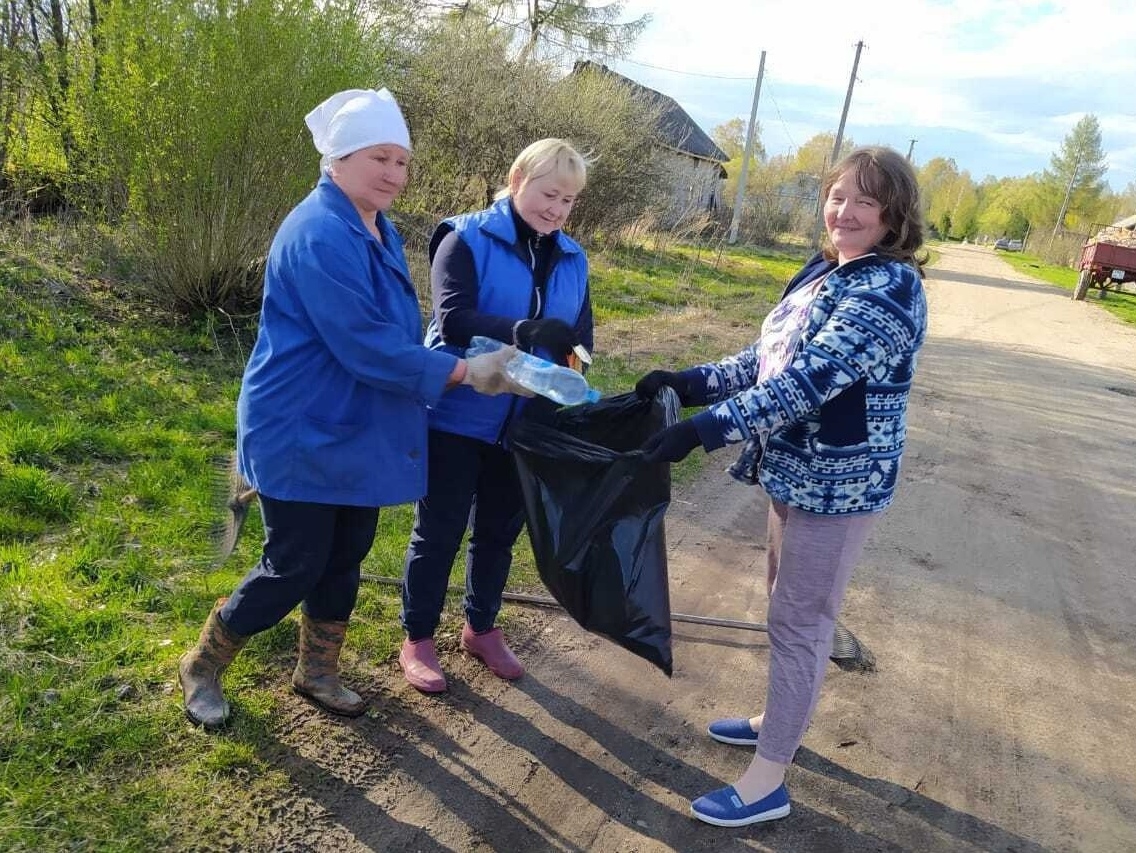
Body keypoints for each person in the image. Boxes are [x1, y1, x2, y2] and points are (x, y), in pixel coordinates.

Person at [178, 88, 525, 731]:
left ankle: (317, 671)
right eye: (380, 158)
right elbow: (364, 343)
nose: (395, 173)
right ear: (338, 159)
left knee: (347, 552)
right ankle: (202, 664)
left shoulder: (375, 226)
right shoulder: (318, 232)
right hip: (301, 424)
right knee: (295, 561)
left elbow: (392, 332)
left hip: (357, 423)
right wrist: (460, 371)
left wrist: (472, 359)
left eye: (402, 161)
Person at [635, 146, 928, 826]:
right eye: (837, 195)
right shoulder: (828, 271)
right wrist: (688, 381)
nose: (844, 211)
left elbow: (808, 383)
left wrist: (704, 431)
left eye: (864, 200)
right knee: (784, 607)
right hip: (793, 472)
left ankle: (768, 780)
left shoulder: (887, 289)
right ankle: (779, 719)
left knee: (801, 618)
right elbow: (765, 361)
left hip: (840, 487)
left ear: (893, 215)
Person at [398, 139, 595, 693]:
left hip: (525, 424)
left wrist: (575, 372)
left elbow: (580, 339)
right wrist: (525, 333)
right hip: (458, 414)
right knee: (438, 531)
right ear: (516, 180)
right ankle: (417, 638)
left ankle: (480, 628)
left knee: (498, 535)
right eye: (548, 193)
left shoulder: (574, 259)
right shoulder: (464, 237)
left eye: (569, 200)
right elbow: (454, 318)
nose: (556, 209)